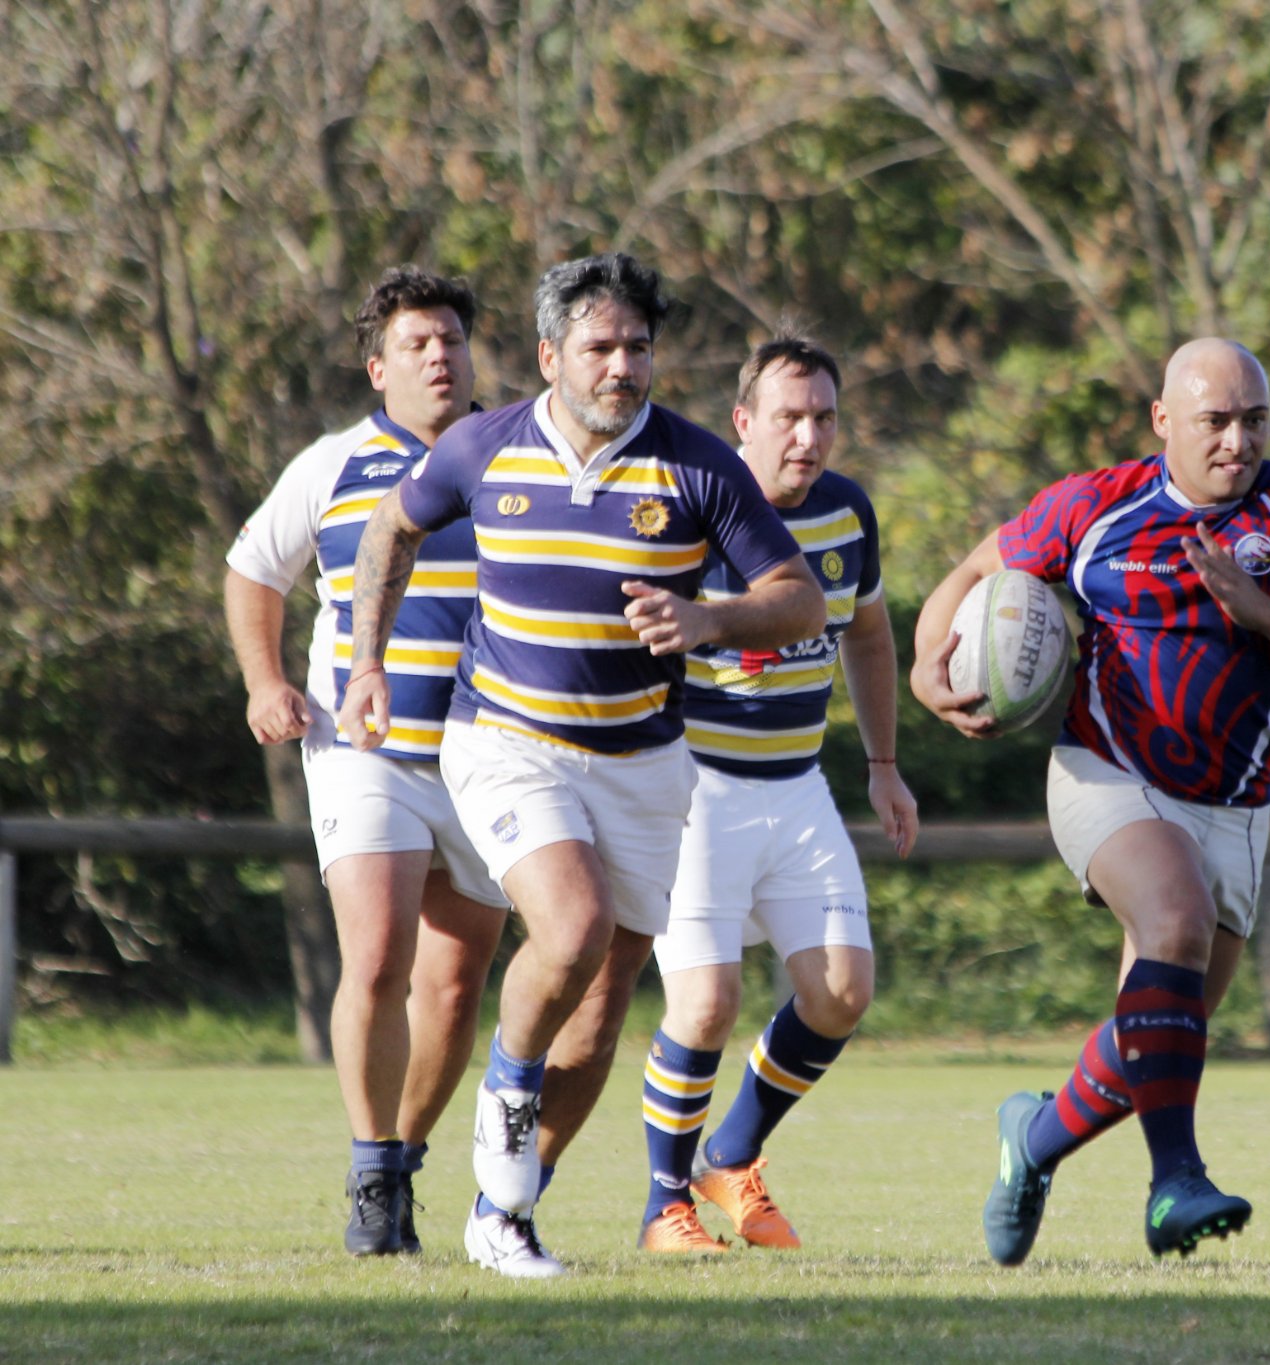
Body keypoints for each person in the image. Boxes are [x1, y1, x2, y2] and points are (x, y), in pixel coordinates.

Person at [336, 252, 826, 1278]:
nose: (621, 367)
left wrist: (708, 616)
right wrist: (366, 663)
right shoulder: (483, 446)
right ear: (552, 354)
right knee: (570, 922)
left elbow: (800, 600)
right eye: (599, 348)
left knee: (602, 1010)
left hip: (645, 762)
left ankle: (502, 1211)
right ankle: (505, 1094)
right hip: (507, 740)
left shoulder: (697, 465)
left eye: (637, 348)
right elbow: (394, 526)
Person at [912, 338, 1270, 1264]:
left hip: (1235, 803)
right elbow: (975, 573)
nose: (1237, 440)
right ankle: (1175, 1181)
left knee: (1159, 1034)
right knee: (1171, 920)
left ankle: (1034, 1141)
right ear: (1164, 423)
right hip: (1106, 773)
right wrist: (926, 666)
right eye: (1215, 421)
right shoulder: (1096, 505)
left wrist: (1265, 613)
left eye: (1254, 420)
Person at [225, 266, 507, 1258]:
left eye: (452, 341)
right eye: (418, 344)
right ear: (377, 366)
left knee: (455, 989)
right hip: (365, 752)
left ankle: (401, 1158)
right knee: (379, 957)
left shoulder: (519, 458)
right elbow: (253, 570)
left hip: (492, 758)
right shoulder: (333, 465)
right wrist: (266, 683)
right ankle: (370, 1165)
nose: (440, 356)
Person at [635, 335, 919, 1255]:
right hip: (696, 790)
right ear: (743, 422)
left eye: (824, 416)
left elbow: (869, 634)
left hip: (798, 787)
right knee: (706, 1004)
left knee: (841, 991)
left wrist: (882, 766)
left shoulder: (846, 511)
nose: (808, 436)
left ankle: (731, 1156)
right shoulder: (691, 513)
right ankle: (662, 1206)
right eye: (788, 417)